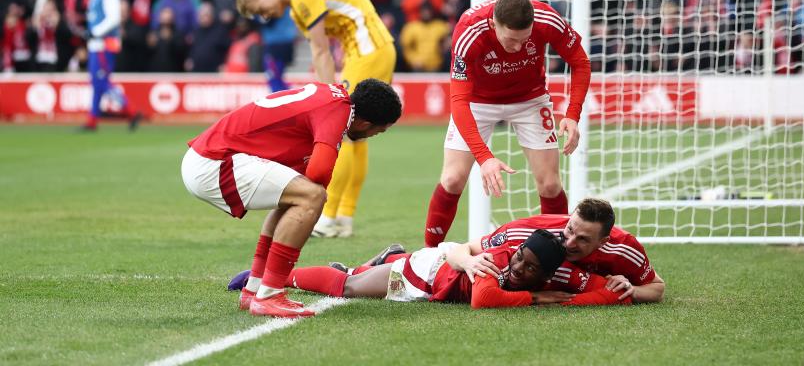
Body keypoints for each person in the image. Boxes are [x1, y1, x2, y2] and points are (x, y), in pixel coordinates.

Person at [181, 78, 402, 318]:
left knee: (299, 195)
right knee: (312, 196)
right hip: (215, 162)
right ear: (364, 123)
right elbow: (319, 173)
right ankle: (270, 294)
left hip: (210, 156)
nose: (371, 136)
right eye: (376, 132)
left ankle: (254, 290)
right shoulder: (338, 112)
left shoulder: (332, 96)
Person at [234, 0, 397, 238]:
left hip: (366, 51)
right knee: (356, 136)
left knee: (340, 133)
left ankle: (328, 216)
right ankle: (344, 215)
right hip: (373, 49)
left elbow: (321, 51)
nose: (264, 16)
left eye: (259, 9)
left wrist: (328, 99)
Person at [423, 0, 591, 247]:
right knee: (453, 179)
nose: (518, 47)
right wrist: (485, 157)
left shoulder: (547, 19)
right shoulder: (469, 31)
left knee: (550, 184)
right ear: (493, 24)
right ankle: (428, 255)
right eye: (511, 40)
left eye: (524, 39)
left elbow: (580, 62)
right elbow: (458, 102)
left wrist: (572, 114)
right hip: (477, 102)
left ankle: (557, 257)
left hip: (530, 99)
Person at [228, 229, 629, 308]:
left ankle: (383, 258)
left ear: (549, 271)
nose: (520, 266)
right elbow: (485, 299)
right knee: (348, 287)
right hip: (425, 272)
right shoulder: (497, 259)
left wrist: (609, 290)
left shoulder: (562, 273)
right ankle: (264, 278)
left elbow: (608, 290)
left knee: (356, 277)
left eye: (530, 267)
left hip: (439, 274)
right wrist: (539, 298)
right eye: (521, 257)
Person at [445, 197, 665, 304]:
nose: (569, 243)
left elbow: (657, 288)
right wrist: (466, 261)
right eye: (569, 230)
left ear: (603, 241)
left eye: (582, 239)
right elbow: (460, 249)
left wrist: (632, 290)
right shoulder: (526, 233)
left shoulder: (624, 248)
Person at [80, 0, 141, 131]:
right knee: (97, 82)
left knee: (102, 82)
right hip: (96, 44)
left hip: (105, 44)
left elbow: (113, 18)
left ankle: (131, 111)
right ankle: (92, 120)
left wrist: (96, 32)